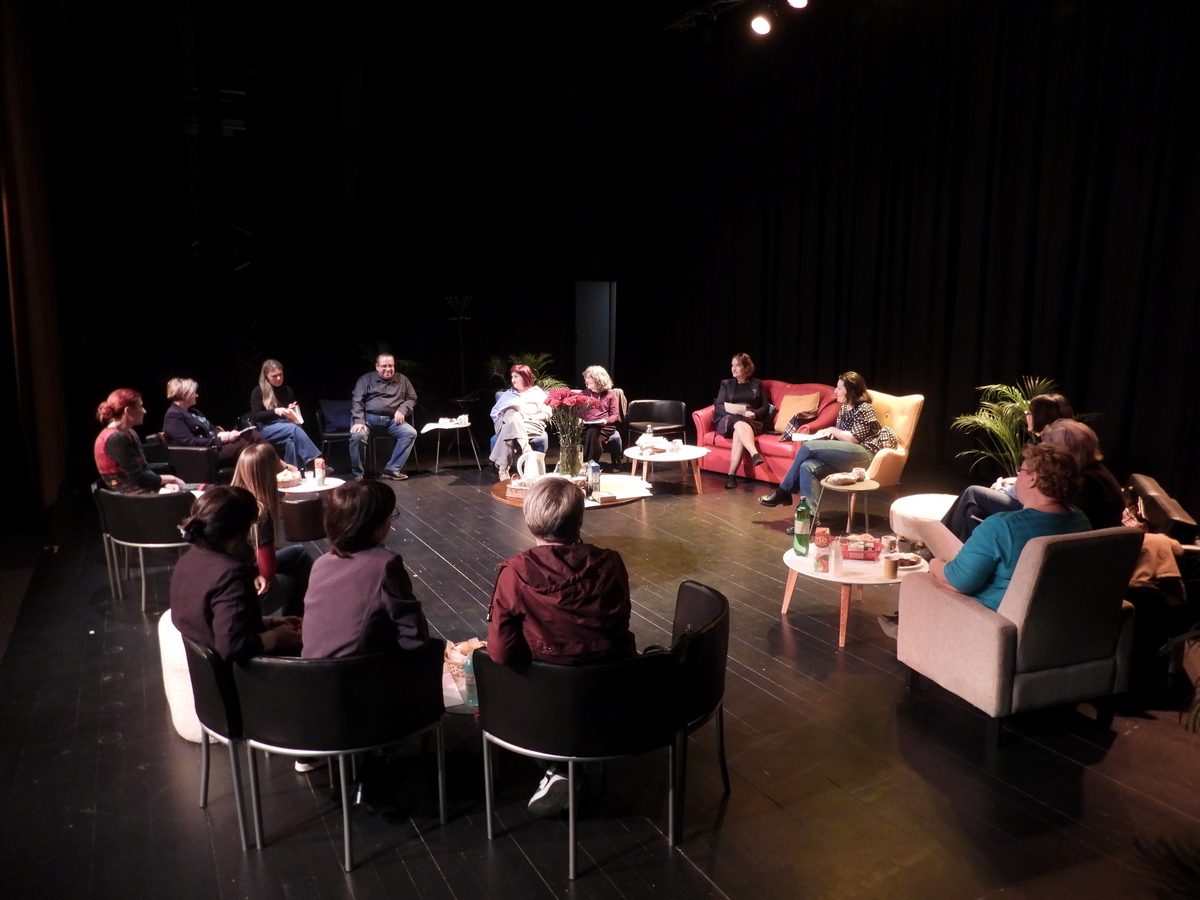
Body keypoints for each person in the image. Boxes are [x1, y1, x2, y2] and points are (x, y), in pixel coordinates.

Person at [487, 477, 637, 816]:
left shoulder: (515, 573)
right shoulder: (610, 563)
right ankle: (567, 768)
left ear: (529, 520)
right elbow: (620, 624)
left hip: (545, 701)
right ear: (579, 519)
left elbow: (501, 651)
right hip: (609, 692)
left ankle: (559, 768)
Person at [878, 443, 1090, 638]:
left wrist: (934, 564)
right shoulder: (1080, 520)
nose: (1018, 477)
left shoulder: (1003, 526)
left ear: (1033, 478)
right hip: (1056, 625)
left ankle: (910, 631)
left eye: (1020, 471)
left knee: (925, 579)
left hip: (996, 624)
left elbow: (959, 581)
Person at [170, 486, 302, 662]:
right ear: (238, 532)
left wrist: (269, 623)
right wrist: (276, 637)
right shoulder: (231, 576)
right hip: (238, 674)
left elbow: (216, 623)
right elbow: (233, 646)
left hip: (203, 669)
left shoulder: (186, 561)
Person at [301, 480, 429, 658]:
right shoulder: (385, 565)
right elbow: (414, 636)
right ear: (377, 528)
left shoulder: (320, 565)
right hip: (358, 672)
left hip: (309, 670)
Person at [939, 392, 1076, 541]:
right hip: (1034, 502)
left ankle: (938, 539)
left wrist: (1005, 488)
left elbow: (1040, 486)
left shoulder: (1050, 449)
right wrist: (1012, 481)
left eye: (1028, 412)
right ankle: (959, 547)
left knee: (972, 493)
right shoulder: (1063, 441)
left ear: (1039, 416)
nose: (1026, 415)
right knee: (973, 511)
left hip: (1030, 507)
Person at [758, 371, 897, 515]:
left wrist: (832, 430)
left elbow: (854, 439)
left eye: (839, 388)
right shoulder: (844, 407)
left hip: (864, 455)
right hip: (847, 454)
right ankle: (810, 516)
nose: (835, 391)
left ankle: (783, 491)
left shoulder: (865, 408)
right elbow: (841, 436)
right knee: (807, 466)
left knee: (807, 447)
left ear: (850, 390)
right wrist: (824, 437)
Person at [231, 442, 314, 618]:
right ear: (268, 475)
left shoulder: (229, 499)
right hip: (249, 593)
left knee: (299, 554)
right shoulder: (259, 512)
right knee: (297, 579)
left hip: (229, 579)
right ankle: (293, 622)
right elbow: (267, 571)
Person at [94, 388, 185, 493]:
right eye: (140, 406)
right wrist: (170, 478)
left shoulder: (131, 432)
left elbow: (144, 468)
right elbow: (138, 477)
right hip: (126, 497)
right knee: (187, 497)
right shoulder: (115, 438)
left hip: (142, 489)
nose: (144, 411)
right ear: (128, 411)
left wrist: (164, 483)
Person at [1039, 419, 1124, 528]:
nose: (1047, 456)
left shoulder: (1085, 482)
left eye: (1050, 450)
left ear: (1068, 451)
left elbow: (1066, 523)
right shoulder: (1095, 470)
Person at [349, 353, 418, 481]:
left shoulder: (402, 380)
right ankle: (358, 474)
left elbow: (412, 398)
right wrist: (359, 420)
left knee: (410, 433)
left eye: (391, 366)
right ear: (377, 366)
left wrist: (402, 409)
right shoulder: (365, 380)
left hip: (392, 421)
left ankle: (392, 469)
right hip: (368, 420)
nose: (388, 369)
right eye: (384, 366)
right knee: (358, 436)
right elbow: (357, 400)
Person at [162, 377, 259, 465]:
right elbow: (190, 442)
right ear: (186, 395)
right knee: (250, 440)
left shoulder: (193, 412)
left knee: (251, 435)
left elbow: (211, 429)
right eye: (194, 393)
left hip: (215, 447)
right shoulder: (173, 415)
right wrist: (222, 440)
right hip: (205, 453)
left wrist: (227, 434)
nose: (197, 395)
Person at [249, 359, 325, 471]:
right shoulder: (258, 391)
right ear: (266, 376)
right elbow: (255, 416)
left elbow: (290, 410)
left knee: (292, 442)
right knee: (294, 429)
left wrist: (291, 409)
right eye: (274, 376)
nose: (279, 378)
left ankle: (292, 472)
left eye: (280, 374)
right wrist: (275, 411)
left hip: (285, 425)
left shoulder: (287, 390)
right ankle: (316, 460)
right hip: (266, 429)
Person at [714, 353, 770, 489]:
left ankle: (731, 476)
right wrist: (734, 411)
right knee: (738, 421)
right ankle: (754, 453)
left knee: (738, 432)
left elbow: (765, 407)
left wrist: (755, 414)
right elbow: (719, 405)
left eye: (737, 365)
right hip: (729, 418)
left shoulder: (757, 384)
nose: (733, 368)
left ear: (746, 368)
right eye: (732, 365)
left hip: (751, 420)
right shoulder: (726, 384)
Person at [489, 363, 549, 481]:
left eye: (516, 377)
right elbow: (494, 413)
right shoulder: (508, 394)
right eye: (512, 377)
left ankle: (503, 469)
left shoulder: (537, 393)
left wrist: (525, 419)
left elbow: (547, 413)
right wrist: (506, 420)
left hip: (531, 425)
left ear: (525, 376)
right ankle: (526, 447)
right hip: (505, 425)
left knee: (511, 424)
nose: (513, 380)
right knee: (511, 413)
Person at [578, 365, 620, 466]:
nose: (586, 380)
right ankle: (592, 463)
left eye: (589, 378)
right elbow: (578, 412)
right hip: (586, 426)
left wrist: (606, 420)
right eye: (586, 378)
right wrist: (578, 419)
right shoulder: (583, 393)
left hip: (604, 427)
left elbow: (615, 415)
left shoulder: (610, 394)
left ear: (598, 379)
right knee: (592, 431)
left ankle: (588, 462)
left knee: (593, 430)